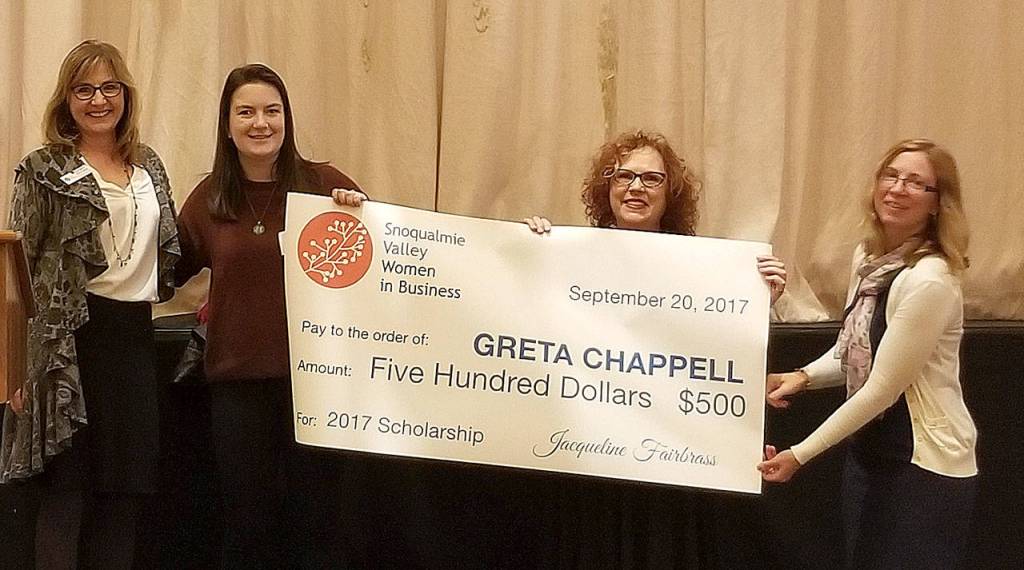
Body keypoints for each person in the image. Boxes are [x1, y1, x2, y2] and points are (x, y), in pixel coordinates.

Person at [521, 129, 786, 567]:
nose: (636, 188)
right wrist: (525, 248)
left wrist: (759, 302)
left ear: (671, 193)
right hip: (590, 458)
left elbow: (716, 358)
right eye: (623, 177)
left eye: (651, 179)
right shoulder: (569, 255)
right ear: (606, 189)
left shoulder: (708, 270)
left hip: (668, 464)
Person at [174, 63, 365, 568]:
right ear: (228, 124)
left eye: (271, 111)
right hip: (238, 388)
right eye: (246, 112)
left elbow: (385, 259)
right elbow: (164, 271)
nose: (260, 123)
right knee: (247, 522)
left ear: (286, 119)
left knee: (319, 523)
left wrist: (358, 212)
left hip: (319, 385)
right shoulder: (209, 198)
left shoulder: (326, 186)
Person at [0, 40, 179, 569]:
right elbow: (15, 273)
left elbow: (176, 245)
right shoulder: (42, 168)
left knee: (122, 498)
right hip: (65, 347)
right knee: (64, 495)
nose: (98, 100)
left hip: (133, 343)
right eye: (84, 89)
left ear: (125, 94)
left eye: (109, 87)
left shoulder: (149, 167)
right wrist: (12, 368)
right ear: (66, 100)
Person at [757, 139, 976, 568]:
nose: (897, 189)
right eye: (891, 176)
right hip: (871, 456)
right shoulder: (870, 258)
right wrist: (801, 377)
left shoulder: (929, 279)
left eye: (916, 183)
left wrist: (799, 454)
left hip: (924, 470)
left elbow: (881, 390)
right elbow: (853, 349)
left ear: (937, 204)